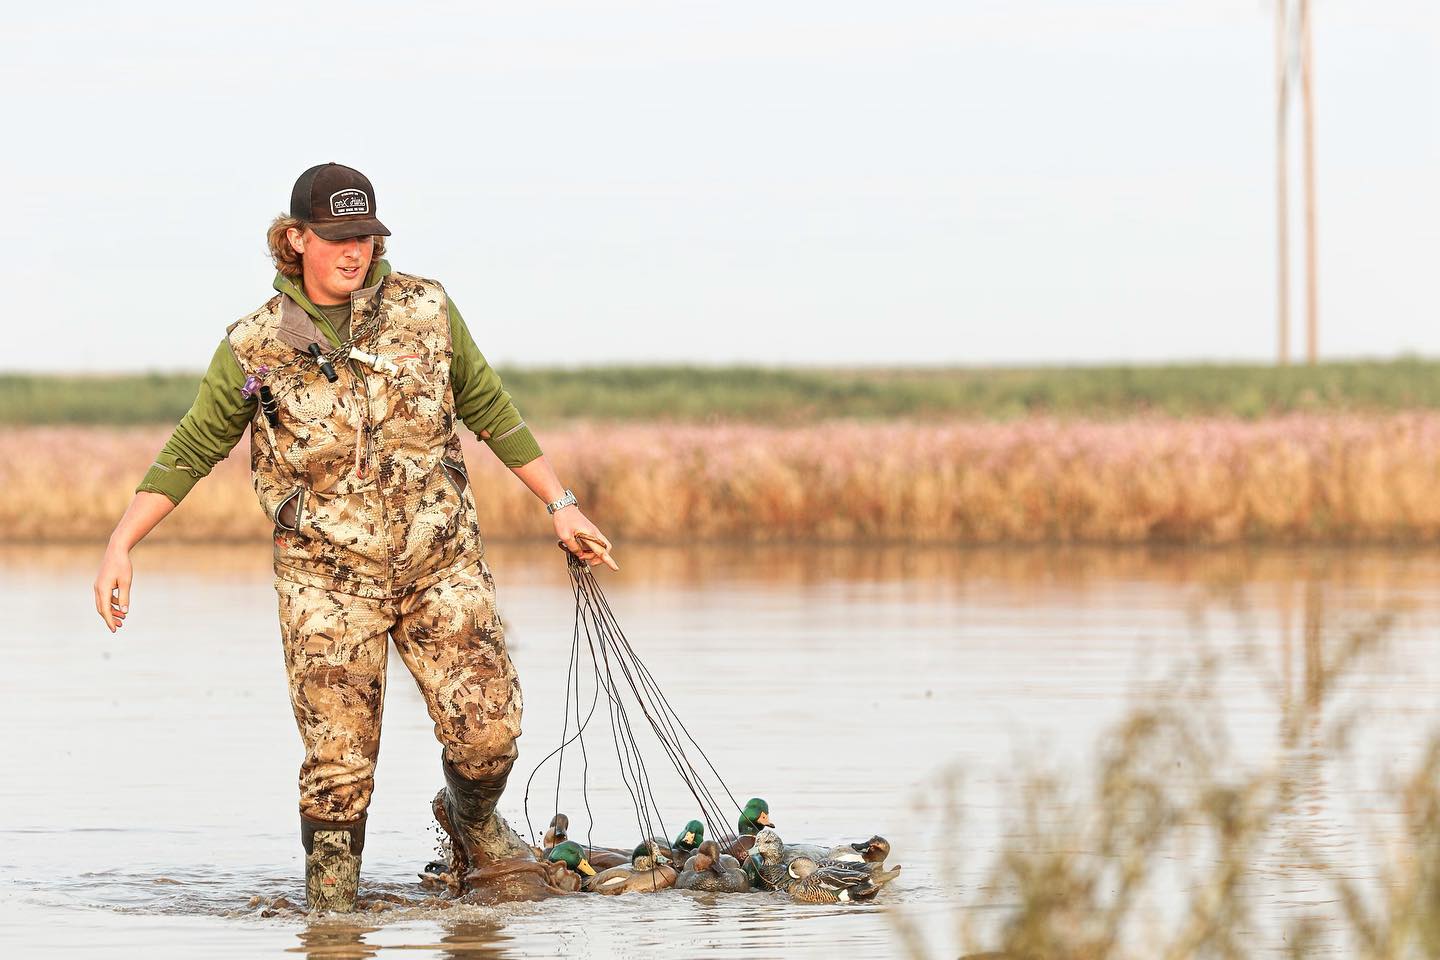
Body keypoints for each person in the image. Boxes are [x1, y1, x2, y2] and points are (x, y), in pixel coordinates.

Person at [91, 162, 615, 912]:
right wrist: (121, 544)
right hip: (324, 583)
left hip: (441, 565)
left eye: (365, 235)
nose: (354, 251)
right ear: (295, 238)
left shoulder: (426, 309)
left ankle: (469, 824)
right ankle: (331, 917)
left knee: (489, 734)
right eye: (337, 237)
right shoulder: (255, 348)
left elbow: (490, 406)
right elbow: (195, 445)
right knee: (338, 771)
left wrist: (560, 502)